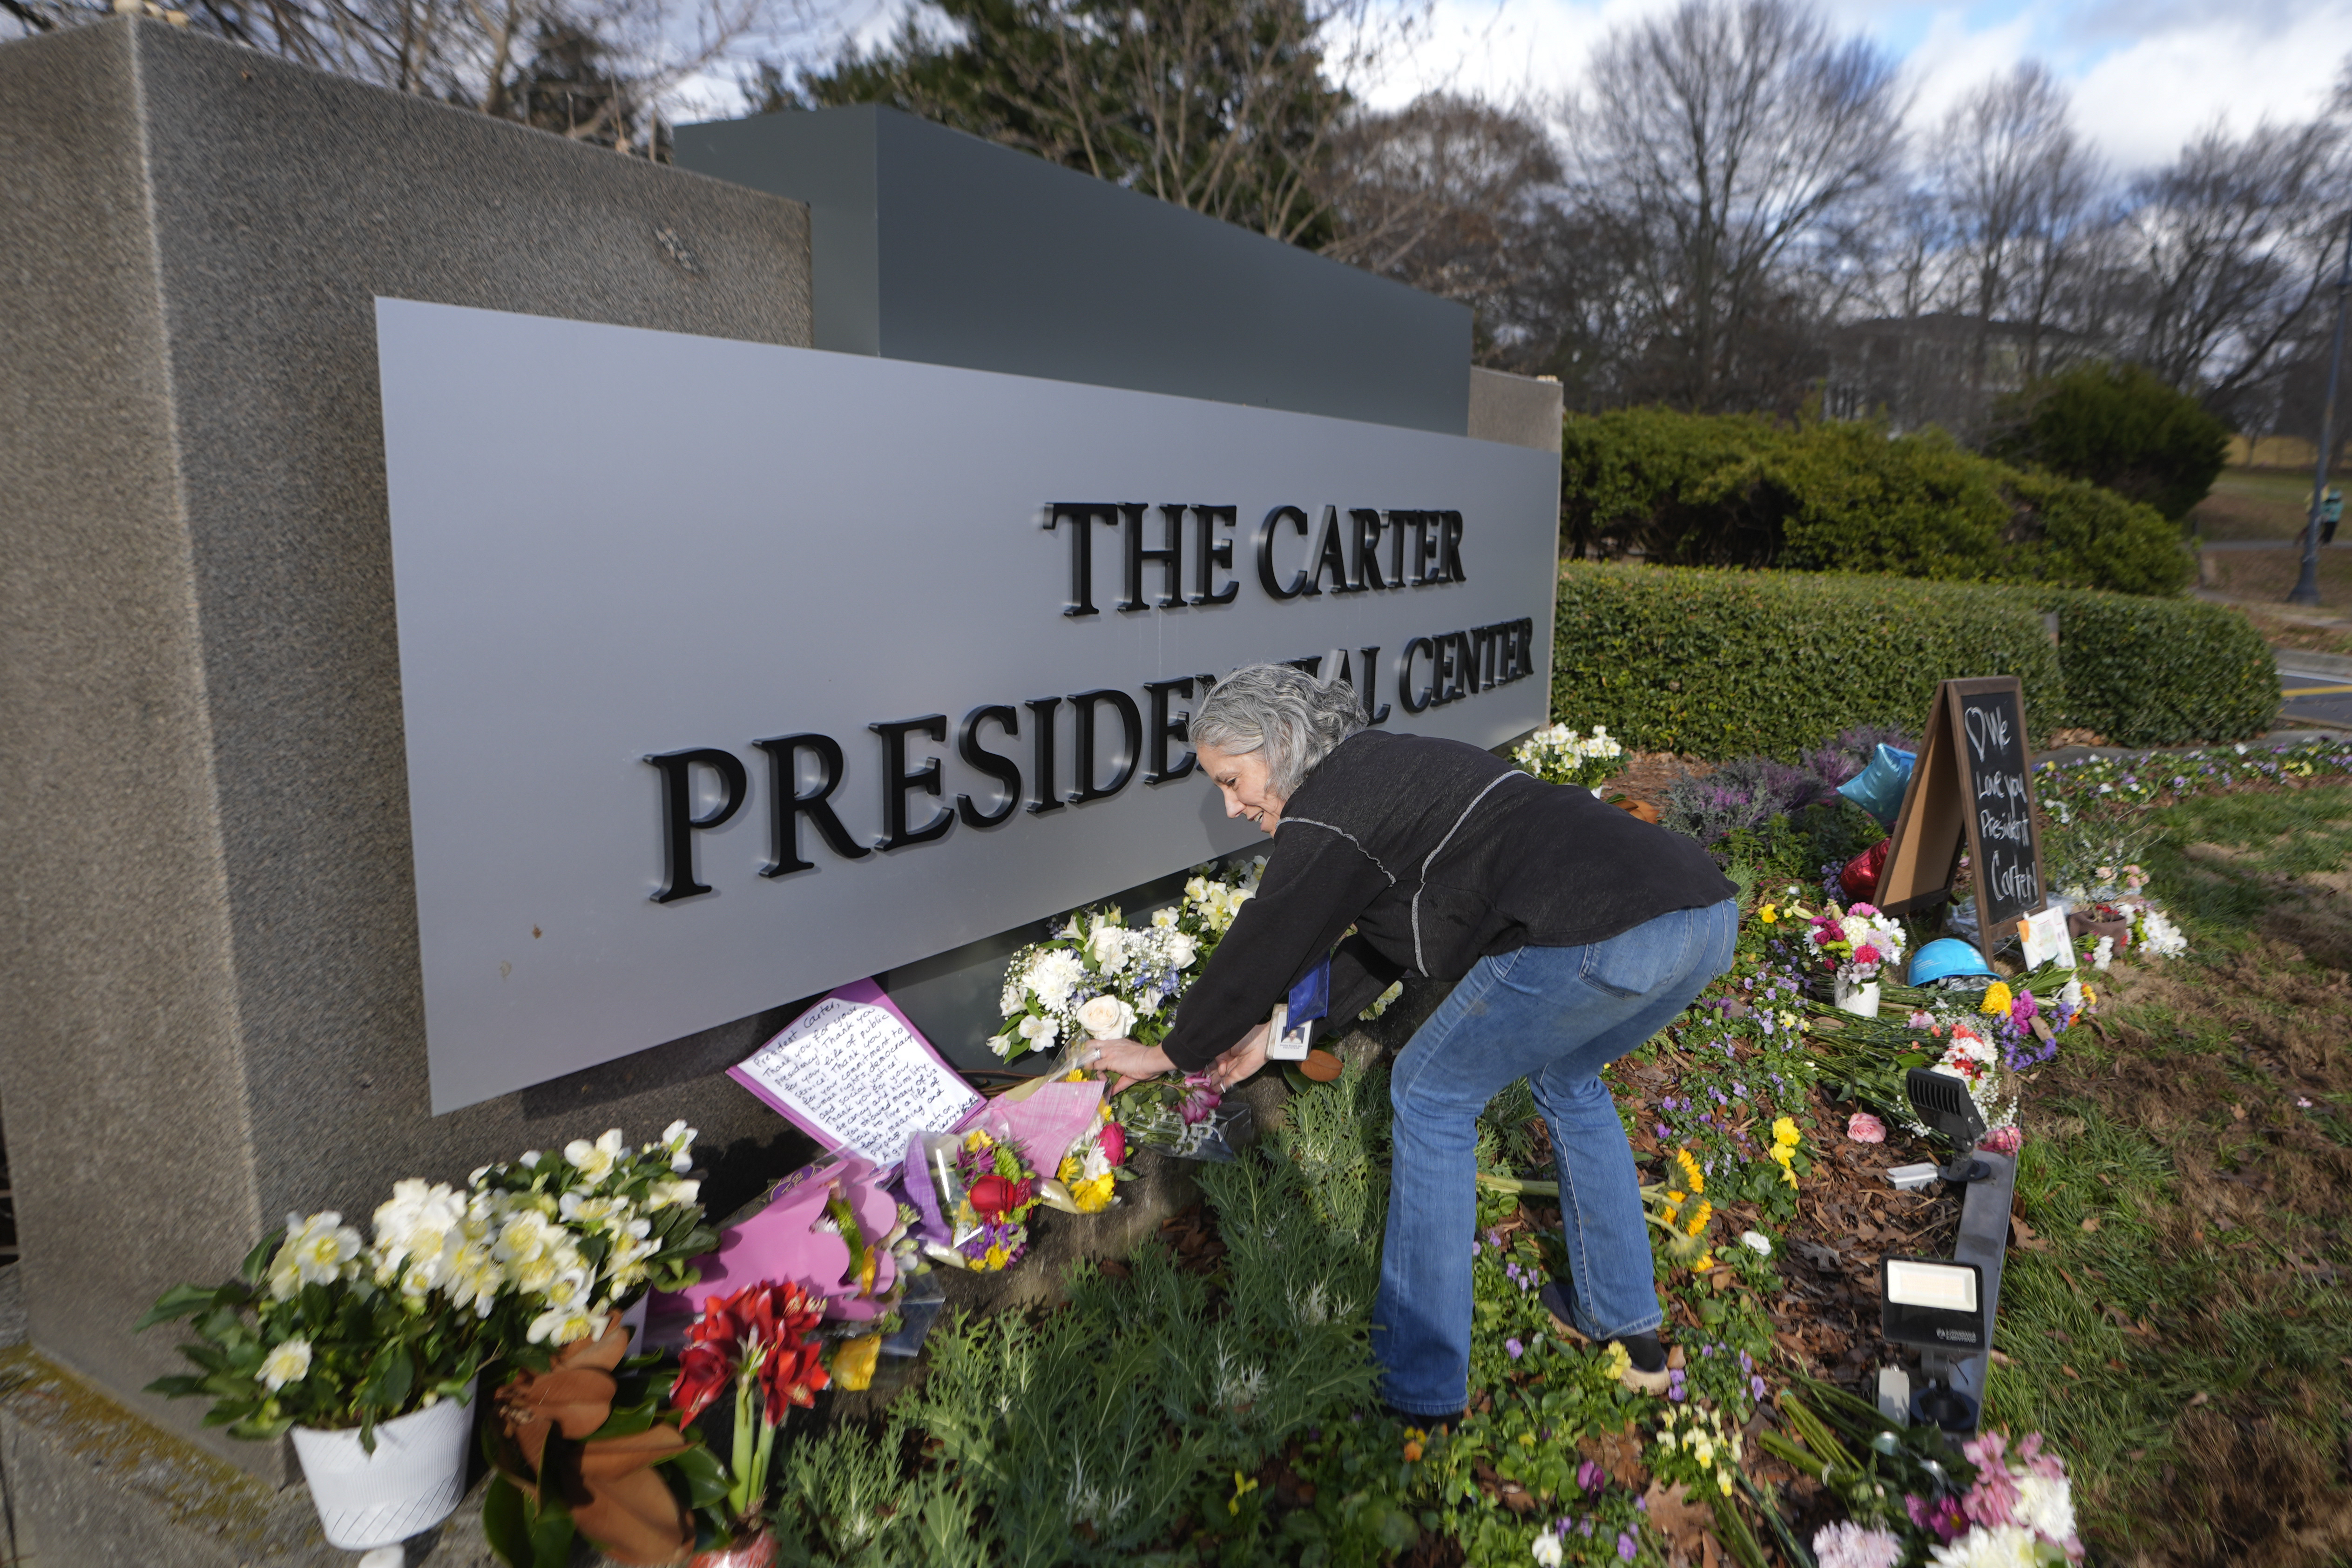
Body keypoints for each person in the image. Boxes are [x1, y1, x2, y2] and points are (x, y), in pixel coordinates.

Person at [1086, 664, 1737, 1419]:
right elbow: (1394, 942)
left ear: (1285, 743)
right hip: (1701, 917)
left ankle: (1418, 1391)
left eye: (1233, 780)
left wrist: (1173, 1052)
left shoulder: (1329, 808)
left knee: (1428, 1096)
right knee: (1569, 1082)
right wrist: (1281, 1037)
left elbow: (1270, 939)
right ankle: (1630, 1334)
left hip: (1596, 932)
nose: (1232, 807)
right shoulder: (1389, 772)